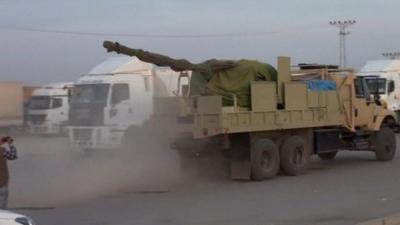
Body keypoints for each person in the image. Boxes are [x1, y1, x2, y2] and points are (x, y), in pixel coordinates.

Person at [0, 136, 17, 209]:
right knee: (2, 208)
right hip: (2, 182)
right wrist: (10, 144)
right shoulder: (2, 151)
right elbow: (13, 156)